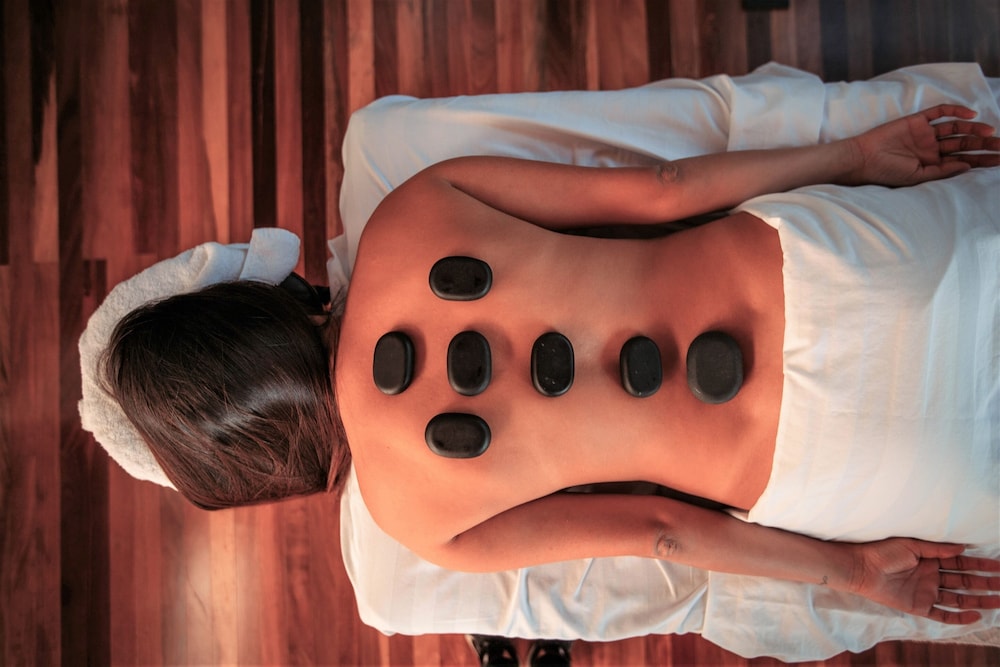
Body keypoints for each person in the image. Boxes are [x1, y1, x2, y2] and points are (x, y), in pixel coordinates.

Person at [98, 100, 1000, 630]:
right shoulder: (407, 217)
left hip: (832, 460)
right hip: (826, 272)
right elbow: (664, 192)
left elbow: (661, 531)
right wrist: (857, 155)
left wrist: (855, 573)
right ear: (247, 306)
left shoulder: (416, 520)